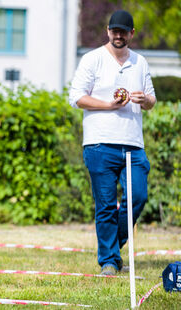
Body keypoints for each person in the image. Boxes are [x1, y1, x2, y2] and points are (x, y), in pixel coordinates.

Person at [69, 10, 156, 276]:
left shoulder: (140, 62)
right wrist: (109, 104)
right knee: (105, 204)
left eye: (123, 31)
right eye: (114, 31)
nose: (118, 35)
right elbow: (76, 98)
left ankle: (111, 249)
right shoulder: (92, 59)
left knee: (138, 196)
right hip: (99, 144)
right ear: (108, 31)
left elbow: (152, 101)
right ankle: (108, 260)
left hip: (133, 144)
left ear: (131, 33)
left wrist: (144, 101)